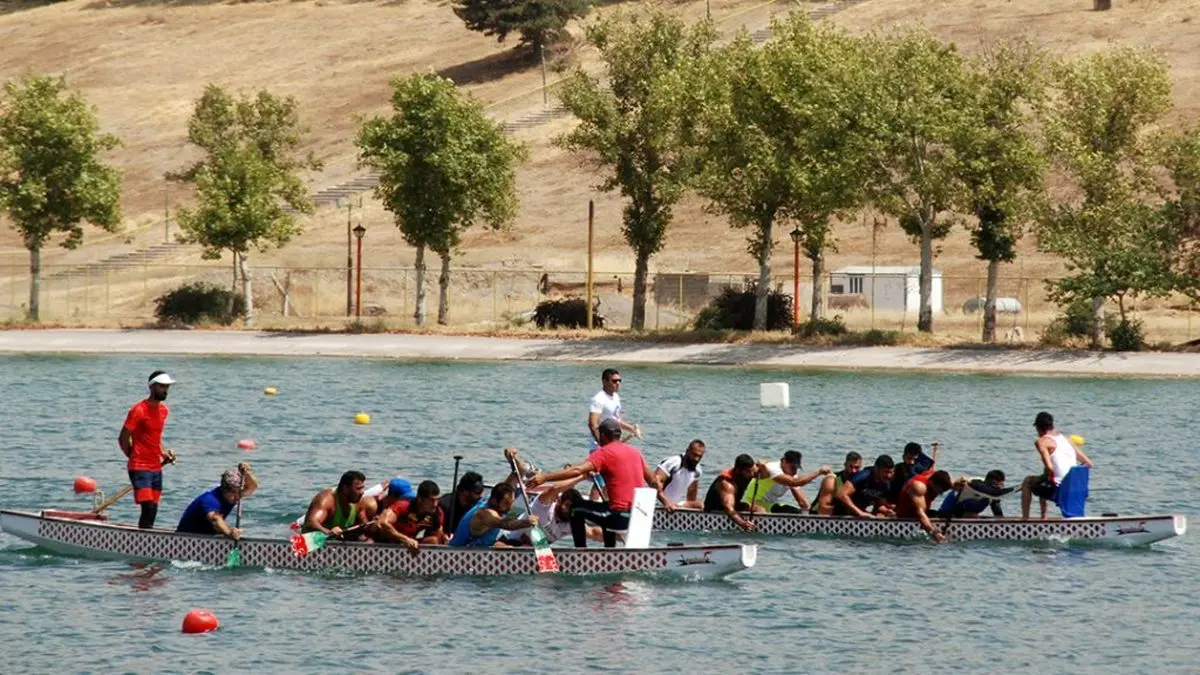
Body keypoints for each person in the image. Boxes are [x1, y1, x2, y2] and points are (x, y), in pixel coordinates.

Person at [529, 418, 669, 548]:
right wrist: (666, 501)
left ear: (602, 435)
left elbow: (578, 470)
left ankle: (581, 552)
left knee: (576, 509)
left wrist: (545, 477)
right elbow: (654, 482)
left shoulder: (604, 452)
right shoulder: (635, 452)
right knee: (606, 507)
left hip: (618, 518)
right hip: (636, 517)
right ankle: (609, 551)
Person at [119, 370, 178, 529]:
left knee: (153, 507)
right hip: (139, 466)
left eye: (167, 387)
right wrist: (132, 456)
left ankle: (145, 538)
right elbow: (123, 438)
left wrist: (163, 453)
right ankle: (143, 542)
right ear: (152, 387)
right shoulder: (138, 410)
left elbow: (155, 437)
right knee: (148, 507)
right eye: (161, 387)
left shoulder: (164, 410)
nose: (165, 390)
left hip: (156, 467)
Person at [1021, 412, 1095, 519]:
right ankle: (1043, 518)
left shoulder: (1041, 442)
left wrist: (1049, 477)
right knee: (1042, 478)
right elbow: (1088, 463)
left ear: (1038, 428)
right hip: (1077, 487)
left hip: (1059, 488)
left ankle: (1025, 520)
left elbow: (1050, 467)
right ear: (1052, 425)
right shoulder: (1067, 440)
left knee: (1028, 481)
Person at [176, 463, 259, 538]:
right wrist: (230, 533)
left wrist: (247, 473)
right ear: (225, 490)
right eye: (234, 493)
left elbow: (253, 487)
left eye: (239, 492)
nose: (238, 497)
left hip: (206, 537)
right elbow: (216, 520)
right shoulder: (210, 499)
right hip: (185, 539)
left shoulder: (233, 496)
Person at [449, 483, 536, 548]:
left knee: (514, 546)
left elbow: (519, 471)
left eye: (511, 503)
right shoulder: (485, 515)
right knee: (513, 547)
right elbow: (507, 525)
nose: (509, 508)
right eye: (506, 503)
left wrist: (514, 460)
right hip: (459, 554)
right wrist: (527, 522)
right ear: (494, 500)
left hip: (484, 547)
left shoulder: (491, 499)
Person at [743, 450, 831, 514]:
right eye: (792, 467)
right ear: (783, 461)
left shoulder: (791, 475)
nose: (795, 471)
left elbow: (802, 501)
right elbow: (794, 482)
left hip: (770, 504)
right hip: (752, 503)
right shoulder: (772, 468)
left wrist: (809, 513)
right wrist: (819, 473)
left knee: (796, 512)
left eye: (796, 468)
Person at [376, 480, 448, 551]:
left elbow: (437, 533)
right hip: (387, 543)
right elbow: (382, 522)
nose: (435, 504)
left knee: (434, 540)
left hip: (409, 543)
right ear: (420, 499)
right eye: (431, 500)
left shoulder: (437, 512)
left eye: (437, 500)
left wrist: (444, 538)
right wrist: (405, 539)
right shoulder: (404, 506)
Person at [301, 470, 368, 540]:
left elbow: (363, 523)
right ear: (345, 488)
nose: (362, 492)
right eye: (358, 488)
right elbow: (311, 523)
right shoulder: (327, 499)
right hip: (310, 541)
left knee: (364, 538)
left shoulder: (358, 501)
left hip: (336, 540)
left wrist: (373, 524)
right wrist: (329, 532)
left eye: (362, 488)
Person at [894, 469, 954, 543]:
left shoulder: (934, 477)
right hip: (906, 519)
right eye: (939, 491)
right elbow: (921, 513)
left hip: (924, 514)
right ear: (932, 483)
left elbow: (954, 483)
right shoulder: (919, 487)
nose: (939, 494)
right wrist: (935, 532)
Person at [703, 454, 758, 532]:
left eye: (752, 471)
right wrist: (743, 524)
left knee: (758, 508)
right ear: (738, 470)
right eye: (748, 472)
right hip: (717, 510)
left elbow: (763, 469)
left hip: (734, 505)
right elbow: (729, 509)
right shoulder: (726, 483)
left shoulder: (749, 472)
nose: (752, 474)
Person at [587, 368, 640, 450]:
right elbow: (593, 425)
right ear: (605, 382)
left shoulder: (616, 397)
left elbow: (616, 420)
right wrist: (602, 444)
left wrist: (632, 428)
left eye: (619, 380)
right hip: (599, 447)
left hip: (614, 444)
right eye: (614, 381)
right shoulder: (598, 399)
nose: (618, 383)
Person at [654, 440, 706, 510]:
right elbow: (655, 483)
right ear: (687, 451)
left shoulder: (698, 470)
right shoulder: (673, 463)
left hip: (676, 506)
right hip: (659, 505)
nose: (696, 459)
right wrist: (666, 502)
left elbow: (692, 492)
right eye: (694, 455)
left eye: (699, 456)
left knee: (701, 504)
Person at [938, 470, 1009, 518]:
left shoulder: (995, 493)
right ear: (988, 482)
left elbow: (998, 513)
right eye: (995, 485)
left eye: (1001, 486)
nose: (997, 489)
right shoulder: (972, 484)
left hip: (969, 517)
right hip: (947, 514)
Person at [438, 471, 485, 537]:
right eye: (477, 492)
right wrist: (443, 535)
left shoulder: (477, 505)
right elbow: (436, 529)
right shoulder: (445, 505)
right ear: (465, 491)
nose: (481, 496)